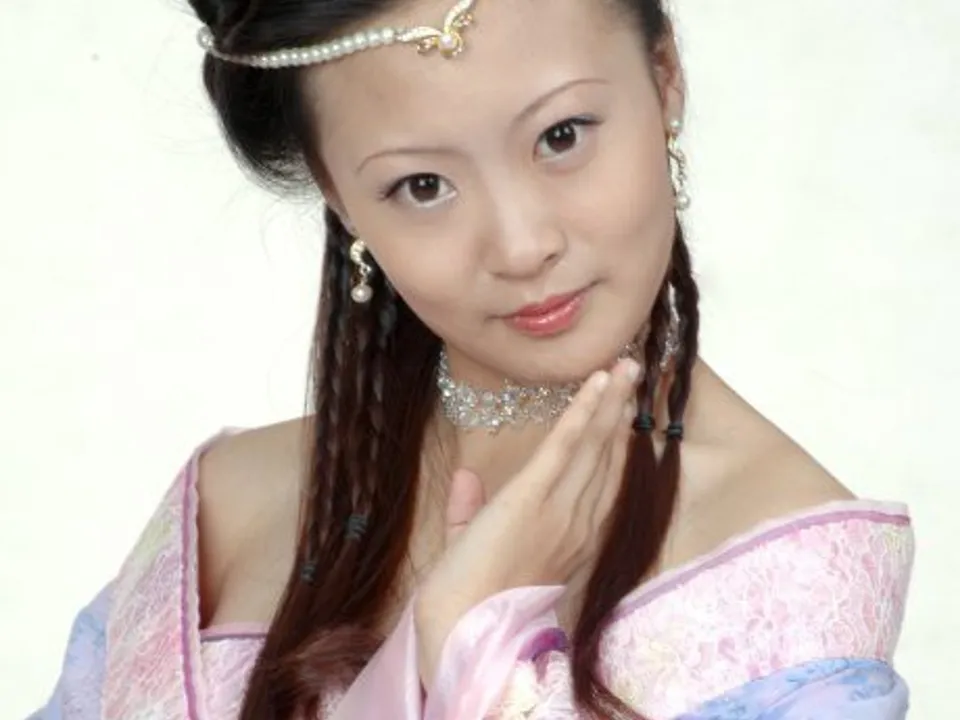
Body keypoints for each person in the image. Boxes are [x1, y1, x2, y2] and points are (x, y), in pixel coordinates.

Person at [31, 0, 915, 718]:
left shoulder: (793, 586)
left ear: (664, 75)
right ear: (338, 194)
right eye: (423, 185)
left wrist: (474, 659)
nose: (522, 245)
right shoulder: (227, 507)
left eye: (562, 135)